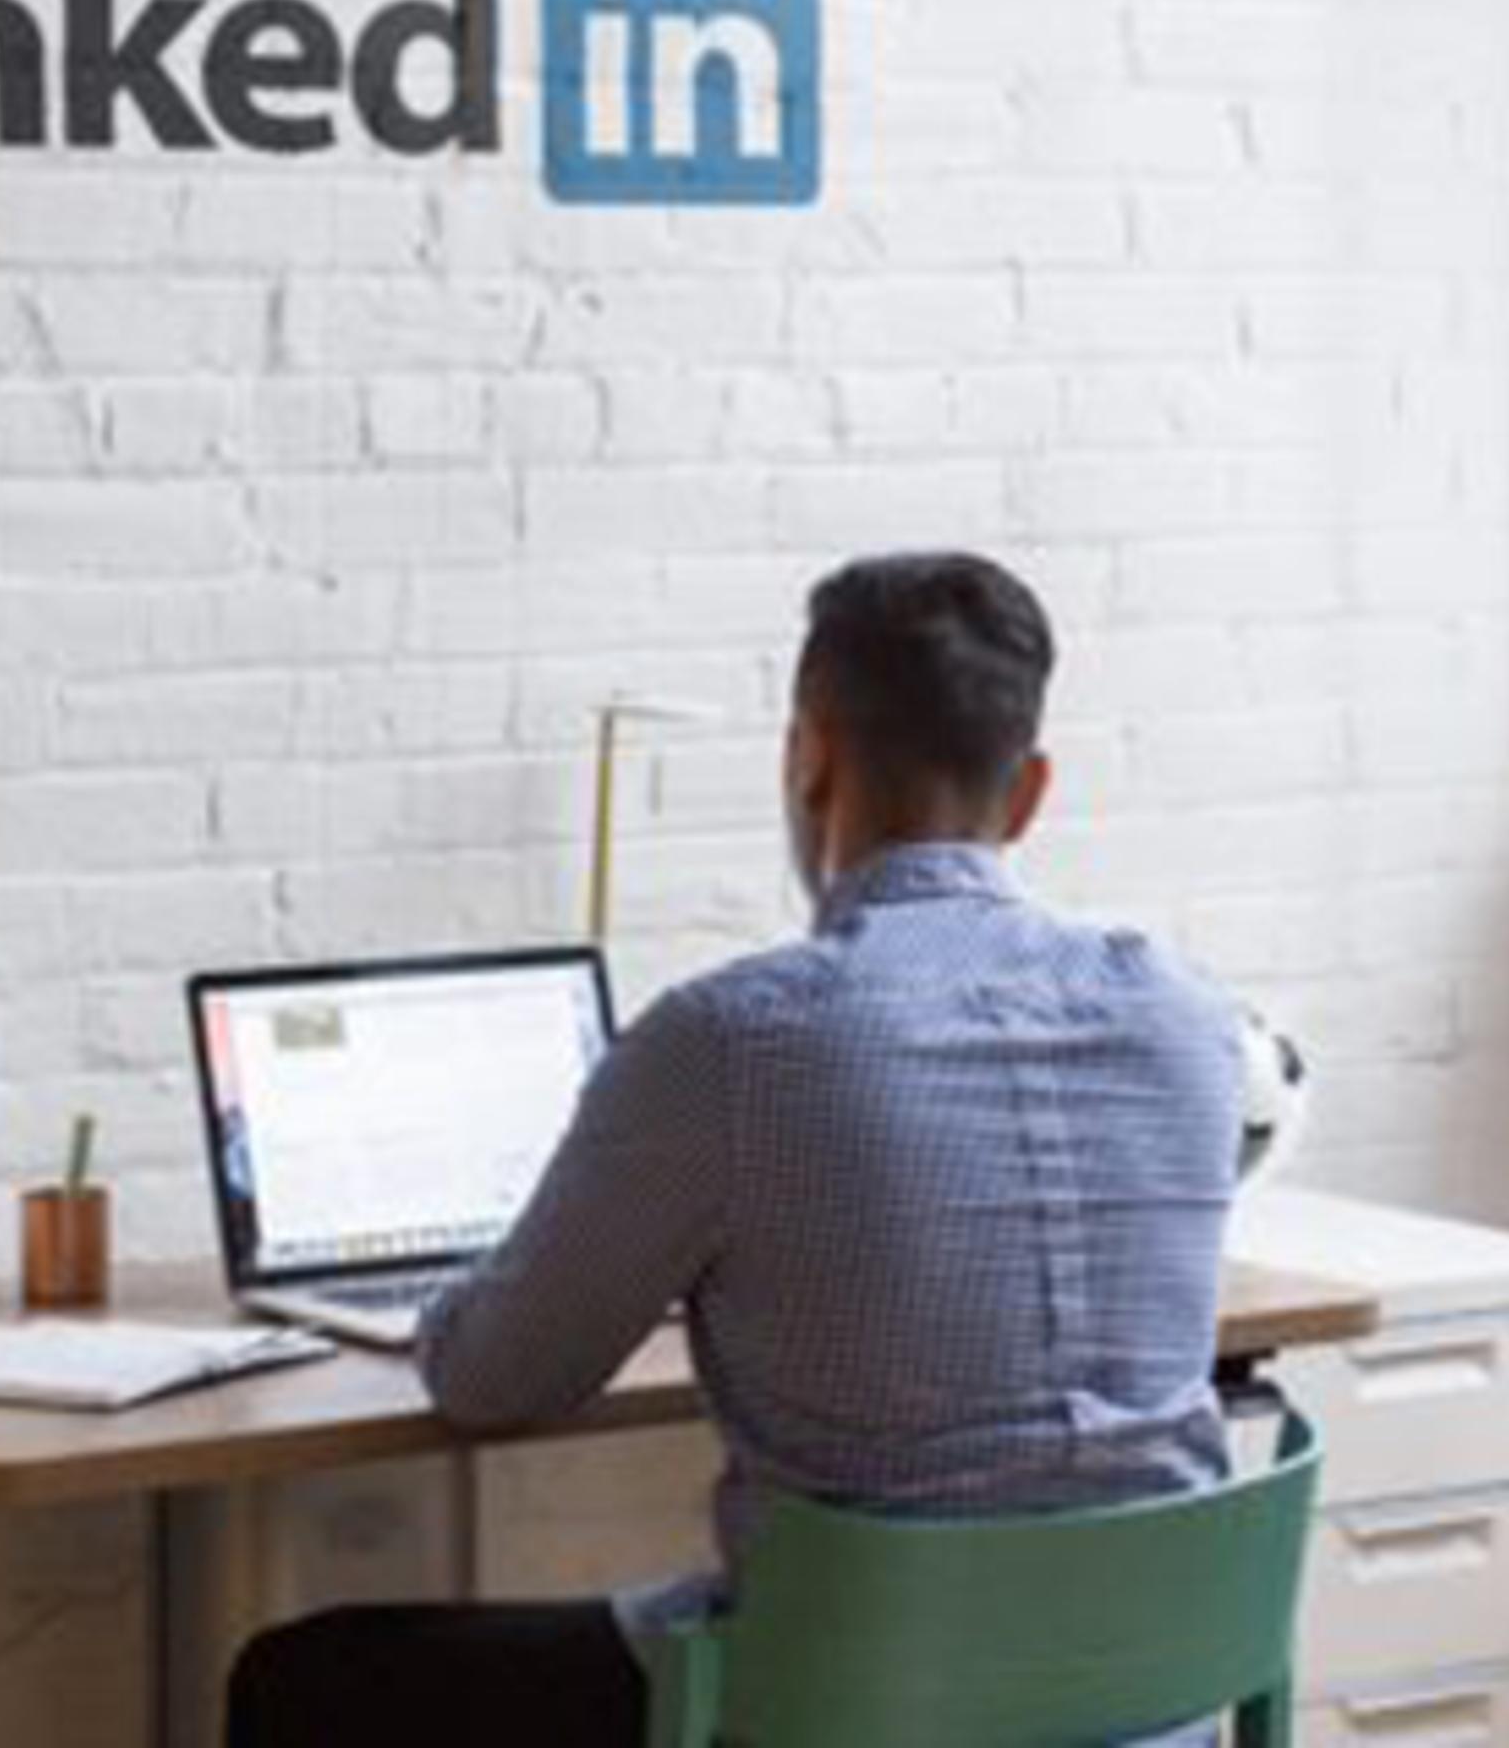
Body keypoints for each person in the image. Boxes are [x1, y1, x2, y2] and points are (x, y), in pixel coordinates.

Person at [226, 550, 1247, 1748]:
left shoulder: (737, 1040)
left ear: (807, 757)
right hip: (1149, 1706)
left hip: (847, 1707)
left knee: (310, 1680)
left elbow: (495, 1377)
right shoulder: (1187, 1015)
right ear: (1027, 793)